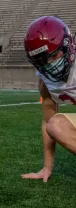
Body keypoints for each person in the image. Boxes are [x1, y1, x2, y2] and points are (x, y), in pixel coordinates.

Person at [22, 15, 76, 183]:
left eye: (51, 56)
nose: (48, 64)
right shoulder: (45, 81)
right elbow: (47, 121)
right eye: (41, 61)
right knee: (55, 125)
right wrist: (47, 166)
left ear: (68, 45)